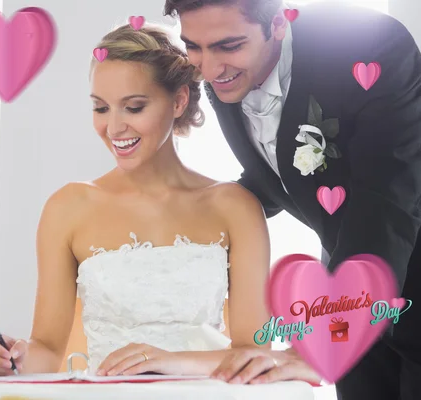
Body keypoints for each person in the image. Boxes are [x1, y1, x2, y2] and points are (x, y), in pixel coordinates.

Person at [0, 23, 319, 386]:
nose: (113, 128)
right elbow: (46, 351)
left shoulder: (234, 206)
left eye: (134, 107)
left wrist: (170, 361)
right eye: (100, 108)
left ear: (179, 101)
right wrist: (12, 358)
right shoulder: (68, 207)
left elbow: (255, 352)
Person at [163, 0, 421, 398]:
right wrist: (193, 213)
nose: (209, 70)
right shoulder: (225, 73)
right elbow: (279, 173)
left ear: (279, 23)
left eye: (228, 46)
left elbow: (384, 196)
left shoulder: (372, 45)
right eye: (194, 46)